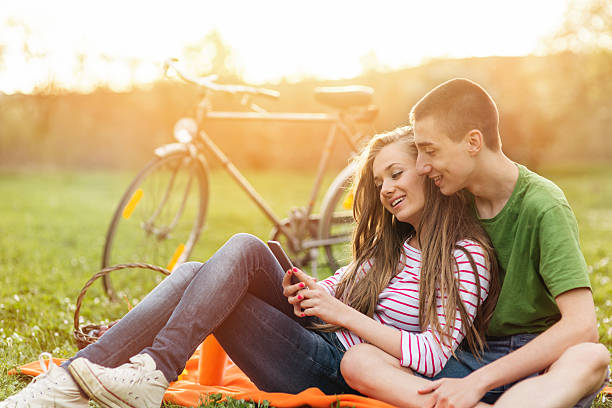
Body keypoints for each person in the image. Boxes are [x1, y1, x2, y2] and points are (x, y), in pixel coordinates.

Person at [0, 126, 498, 408]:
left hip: (333, 369)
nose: (387, 188)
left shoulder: (465, 255)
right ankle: (72, 382)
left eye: (397, 173)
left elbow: (433, 356)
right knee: (210, 266)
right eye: (379, 180)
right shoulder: (395, 245)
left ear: (430, 174)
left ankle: (136, 373)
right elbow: (336, 293)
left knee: (231, 252)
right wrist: (315, 292)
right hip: (322, 332)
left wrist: (343, 316)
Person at [340, 78, 610, 408]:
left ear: (472, 142)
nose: (422, 166)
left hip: (537, 359)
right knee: (359, 360)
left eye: (431, 151)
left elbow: (582, 326)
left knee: (590, 355)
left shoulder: (543, 205)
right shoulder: (450, 198)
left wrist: (477, 383)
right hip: (466, 355)